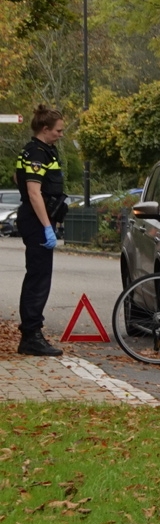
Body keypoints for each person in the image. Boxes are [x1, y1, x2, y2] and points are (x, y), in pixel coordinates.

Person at [14, 105, 66, 356]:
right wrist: (47, 227)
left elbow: (18, 179)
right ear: (45, 129)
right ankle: (31, 336)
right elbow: (34, 193)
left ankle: (32, 332)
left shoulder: (40, 150)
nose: (61, 134)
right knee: (38, 278)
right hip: (37, 221)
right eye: (58, 130)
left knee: (39, 276)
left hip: (38, 219)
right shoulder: (37, 152)